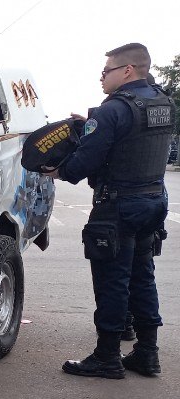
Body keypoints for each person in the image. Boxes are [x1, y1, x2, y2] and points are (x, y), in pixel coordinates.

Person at [45, 43, 173, 379]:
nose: (101, 77)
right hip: (152, 202)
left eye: (106, 71)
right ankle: (147, 353)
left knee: (112, 282)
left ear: (127, 70)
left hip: (117, 207)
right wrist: (93, 123)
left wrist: (57, 171)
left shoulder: (112, 110)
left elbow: (83, 163)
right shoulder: (162, 102)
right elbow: (133, 138)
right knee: (142, 277)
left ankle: (107, 357)